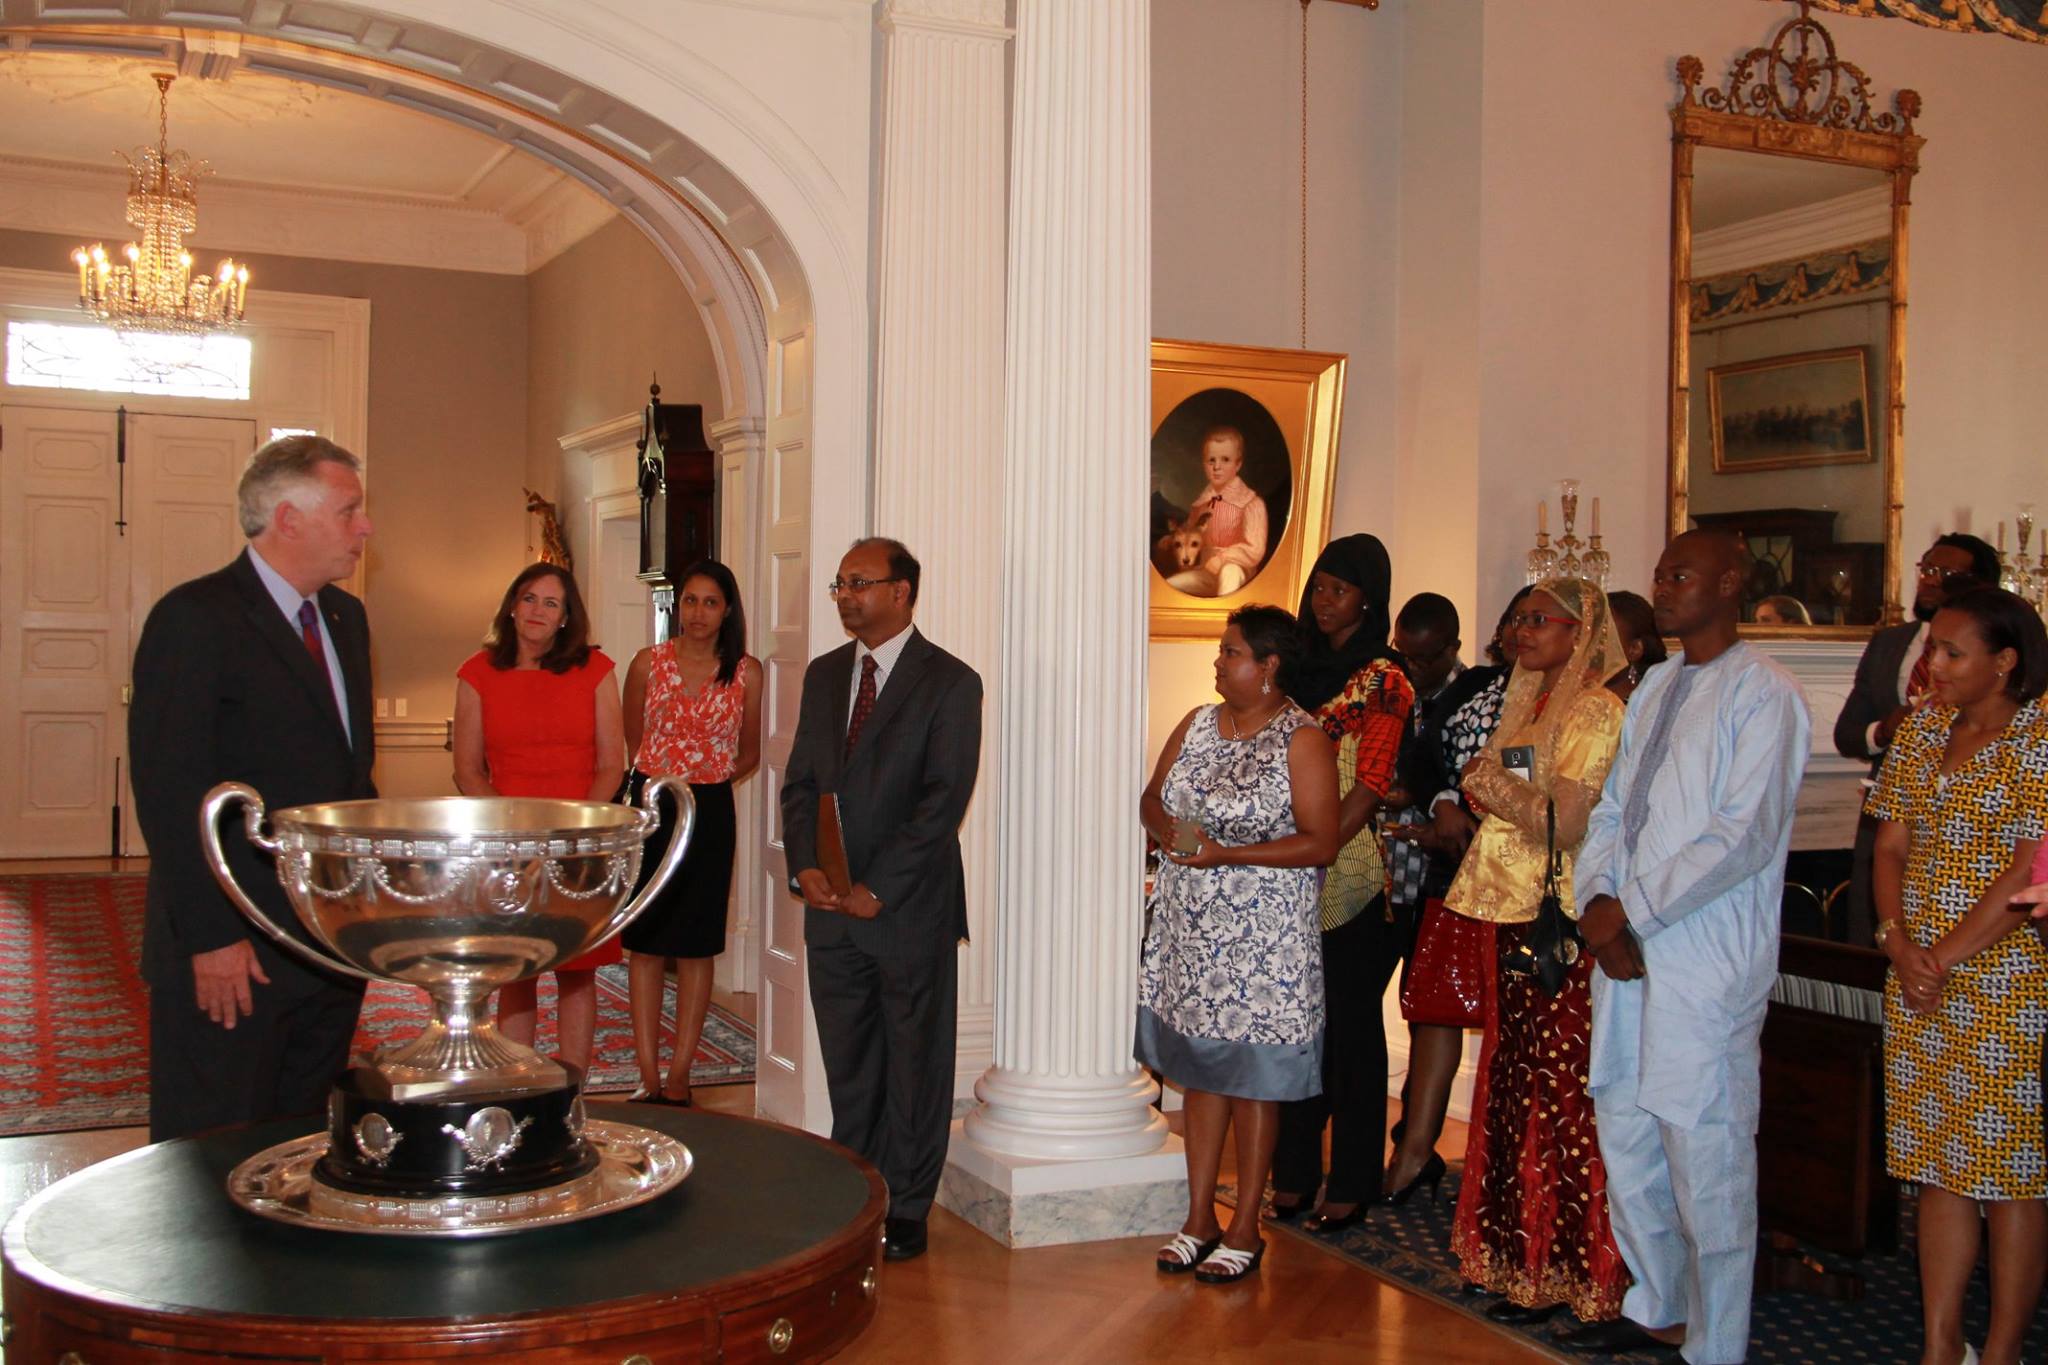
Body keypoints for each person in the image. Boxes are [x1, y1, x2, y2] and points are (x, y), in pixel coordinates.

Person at [1569, 529, 1811, 1361]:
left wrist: (1629, 912)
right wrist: (1595, 900)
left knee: (1704, 1148)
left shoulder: (1765, 693)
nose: (1662, 584)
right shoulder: (1658, 684)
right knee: (1627, 1126)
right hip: (1625, 946)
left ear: (1732, 581)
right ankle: (1658, 1304)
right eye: (1660, 570)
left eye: (1681, 572)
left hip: (1701, 955)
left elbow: (1739, 835)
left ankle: (1717, 1342)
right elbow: (1612, 810)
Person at [129, 434, 376, 1142]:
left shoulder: (344, 619)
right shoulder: (196, 618)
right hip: (234, 945)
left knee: (299, 1144)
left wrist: (366, 908)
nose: (364, 527)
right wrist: (210, 937)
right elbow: (170, 789)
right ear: (289, 519)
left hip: (326, 941)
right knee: (211, 1152)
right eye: (349, 509)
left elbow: (348, 775)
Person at [779, 538, 982, 1264]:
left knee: (914, 1062)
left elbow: (942, 799)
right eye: (841, 584)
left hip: (906, 908)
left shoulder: (952, 682)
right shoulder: (827, 675)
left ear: (902, 591)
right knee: (851, 1059)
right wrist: (806, 865)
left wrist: (878, 886)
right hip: (829, 910)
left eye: (859, 583)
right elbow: (801, 781)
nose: (844, 595)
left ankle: (909, 1204)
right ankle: (854, 1190)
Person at [1867, 586, 2048, 1365]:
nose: (1931, 664)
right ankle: (1943, 1343)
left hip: (2005, 982)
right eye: (1932, 648)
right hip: (1917, 979)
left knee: (2009, 1170)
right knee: (1935, 1162)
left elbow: (2028, 870)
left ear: (2004, 662)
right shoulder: (1922, 732)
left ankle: (2002, 1349)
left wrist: (1941, 957)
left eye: (1951, 652)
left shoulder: (2040, 735)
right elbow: (1890, 848)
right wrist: (1898, 941)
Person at [1445, 579, 1629, 1327]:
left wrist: (1489, 783)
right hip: (1512, 909)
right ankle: (1513, 1258)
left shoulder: (1594, 706)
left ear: (1579, 629)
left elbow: (1564, 815)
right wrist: (1494, 782)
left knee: (1562, 1091)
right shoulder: (1532, 699)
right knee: (1513, 1080)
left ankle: (1575, 1271)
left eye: (1539, 619)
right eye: (1518, 618)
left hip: (1559, 917)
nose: (1522, 630)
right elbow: (1510, 784)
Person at [1139, 605, 1341, 1282]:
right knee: (1199, 1074)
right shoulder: (1197, 722)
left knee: (1254, 1081)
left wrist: (1226, 853)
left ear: (1270, 664)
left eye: (1231, 652)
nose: (1218, 662)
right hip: (1193, 933)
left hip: (1264, 943)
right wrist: (1167, 829)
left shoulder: (1302, 739)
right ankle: (1198, 1216)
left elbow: (1321, 839)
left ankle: (1245, 1223)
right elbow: (1151, 798)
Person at [1271, 537, 1415, 1232]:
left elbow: (1372, 781)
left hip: (1349, 872)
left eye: (1340, 590)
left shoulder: (1387, 678)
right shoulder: (1294, 669)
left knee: (1352, 1031)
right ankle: (1292, 1171)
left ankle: (1353, 1177)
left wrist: (1320, 846)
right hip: (1286, 867)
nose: (1324, 601)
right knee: (1297, 1029)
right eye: (1319, 587)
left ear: (1370, 598)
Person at [453, 563, 625, 1076]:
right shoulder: (477, 673)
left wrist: (576, 833)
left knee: (579, 972)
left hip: (580, 845)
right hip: (507, 847)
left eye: (551, 604)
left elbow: (611, 763)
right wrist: (515, 836)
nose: (538, 612)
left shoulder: (596, 671)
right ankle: (516, 1088)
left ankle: (571, 1095)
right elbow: (467, 770)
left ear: (565, 617)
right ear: (511, 605)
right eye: (530, 599)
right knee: (515, 972)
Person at [620, 561, 762, 1106]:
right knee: (647, 944)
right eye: (690, 600)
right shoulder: (645, 665)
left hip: (709, 809)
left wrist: (710, 774)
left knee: (698, 944)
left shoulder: (747, 672)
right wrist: (664, 772)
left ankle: (681, 1076)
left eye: (710, 602)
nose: (697, 612)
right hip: (653, 806)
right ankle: (648, 1074)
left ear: (727, 610)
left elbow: (747, 749)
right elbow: (634, 736)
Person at [1382, 593, 1496, 1203]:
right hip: (1408, 872)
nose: (1413, 667)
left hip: (1471, 868)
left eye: (1426, 658)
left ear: (1452, 646)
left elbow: (1481, 774)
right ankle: (1412, 1143)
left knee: (1443, 1006)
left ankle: (1422, 1148)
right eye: (1406, 653)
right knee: (1426, 1003)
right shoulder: (1389, 685)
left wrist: (1439, 803)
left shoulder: (1480, 695)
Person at [1834, 533, 2002, 944]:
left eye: (1944, 573)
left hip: (1968, 838)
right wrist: (1887, 729)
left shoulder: (2015, 709)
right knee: (1869, 934)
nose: (1928, 579)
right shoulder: (1889, 643)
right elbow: (1847, 734)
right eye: (1925, 568)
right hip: (1888, 817)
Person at [1166, 426, 1270, 598]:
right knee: (1171, 586)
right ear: (1204, 464)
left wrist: (1222, 559)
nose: (1217, 467)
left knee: (1230, 573)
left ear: (1238, 464)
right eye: (1211, 460)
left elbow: (1255, 549)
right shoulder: (1201, 504)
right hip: (1206, 571)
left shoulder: (1251, 503)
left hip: (1238, 571)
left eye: (1225, 460)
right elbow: (1191, 533)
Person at [1605, 589, 1667, 705]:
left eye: (1603, 636)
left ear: (1634, 649)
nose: (1589, 646)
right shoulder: (1574, 697)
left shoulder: (1648, 707)